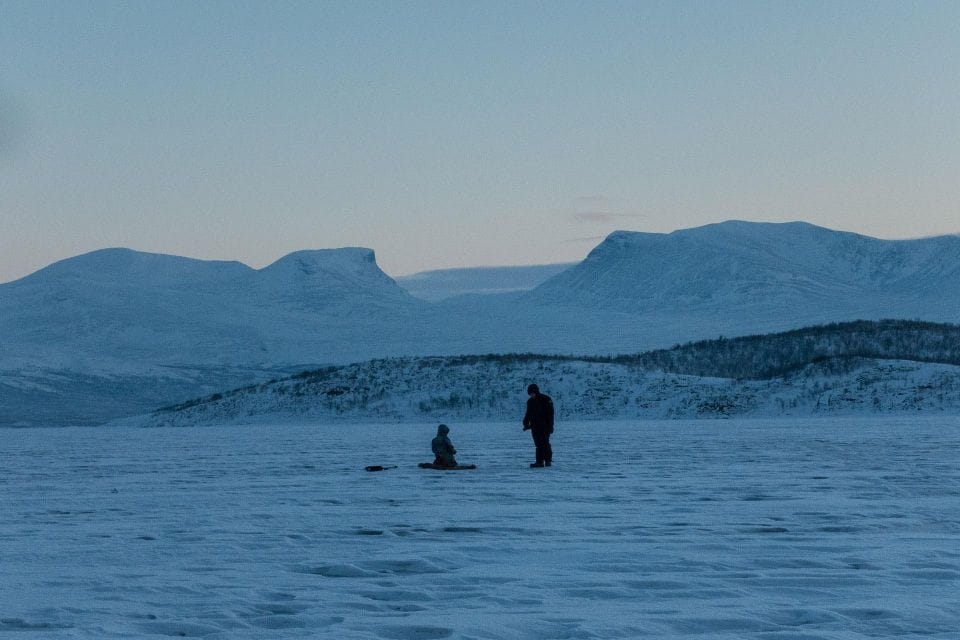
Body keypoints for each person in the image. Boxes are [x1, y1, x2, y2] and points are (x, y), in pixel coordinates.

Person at [522, 383, 554, 467]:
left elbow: (551, 414)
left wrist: (550, 426)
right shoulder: (530, 402)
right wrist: (525, 423)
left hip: (545, 426)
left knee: (545, 443)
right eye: (530, 393)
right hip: (535, 426)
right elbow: (528, 413)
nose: (531, 395)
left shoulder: (546, 399)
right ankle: (539, 462)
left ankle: (548, 460)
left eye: (532, 393)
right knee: (538, 444)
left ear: (536, 391)